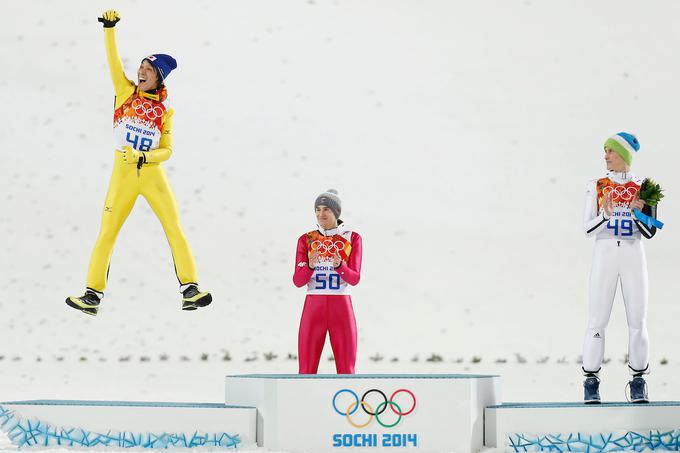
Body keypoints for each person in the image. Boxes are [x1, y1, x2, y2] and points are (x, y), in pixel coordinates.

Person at [65, 10, 212, 316]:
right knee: (107, 232)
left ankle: (191, 289)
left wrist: (145, 157)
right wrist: (109, 30)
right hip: (123, 173)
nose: (141, 71)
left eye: (149, 69)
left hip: (152, 174)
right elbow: (113, 62)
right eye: (141, 66)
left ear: (159, 77)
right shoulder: (125, 91)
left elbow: (168, 150)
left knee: (174, 227)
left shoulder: (165, 110)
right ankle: (92, 294)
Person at [581, 132, 658, 404]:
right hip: (604, 255)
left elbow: (650, 232)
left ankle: (638, 381)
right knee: (597, 319)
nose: (605, 156)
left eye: (610, 151)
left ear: (623, 154)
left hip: (633, 255)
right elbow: (587, 228)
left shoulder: (646, 186)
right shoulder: (597, 184)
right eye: (605, 151)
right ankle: (591, 380)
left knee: (638, 320)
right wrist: (606, 214)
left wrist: (638, 212)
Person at [293, 190, 362, 374]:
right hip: (313, 308)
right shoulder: (306, 239)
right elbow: (298, 281)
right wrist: (310, 265)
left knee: (346, 371)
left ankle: (347, 402)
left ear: (336, 212)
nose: (320, 214)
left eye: (326, 210)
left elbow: (354, 278)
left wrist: (340, 266)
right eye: (317, 209)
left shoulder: (352, 237)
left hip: (341, 307)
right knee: (306, 371)